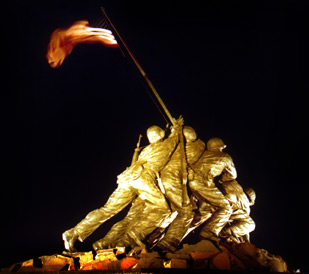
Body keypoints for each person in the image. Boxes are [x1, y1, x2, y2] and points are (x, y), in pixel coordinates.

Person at [62, 118, 183, 252]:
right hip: (143, 178)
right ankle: (136, 233)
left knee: (107, 210)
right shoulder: (165, 145)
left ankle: (73, 232)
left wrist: (167, 130)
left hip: (128, 178)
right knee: (163, 209)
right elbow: (175, 138)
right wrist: (177, 126)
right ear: (161, 135)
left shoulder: (146, 150)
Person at [189, 137, 236, 242]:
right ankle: (209, 233)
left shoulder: (203, 154)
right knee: (226, 208)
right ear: (220, 147)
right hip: (205, 184)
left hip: (191, 183)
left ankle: (176, 237)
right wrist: (220, 180)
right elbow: (232, 175)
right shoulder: (225, 156)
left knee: (205, 212)